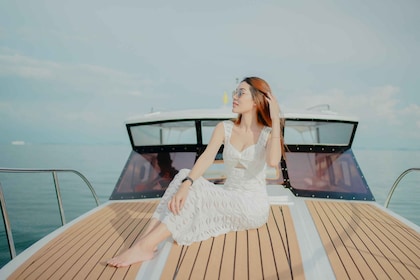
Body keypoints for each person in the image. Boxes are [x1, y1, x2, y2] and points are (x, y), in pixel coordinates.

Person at [107, 76, 283, 267]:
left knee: (194, 190)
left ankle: (145, 246)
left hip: (252, 207)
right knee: (183, 174)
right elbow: (207, 157)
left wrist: (275, 121)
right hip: (229, 196)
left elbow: (273, 161)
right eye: (235, 92)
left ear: (257, 100)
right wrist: (187, 184)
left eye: (241, 93)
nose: (235, 96)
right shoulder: (225, 128)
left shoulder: (267, 134)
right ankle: (145, 241)